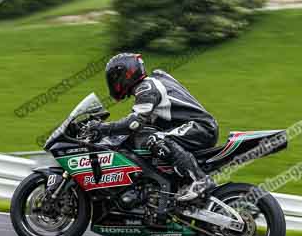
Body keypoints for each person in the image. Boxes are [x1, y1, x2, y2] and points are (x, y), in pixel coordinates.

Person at [85, 53, 218, 202]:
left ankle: (201, 181)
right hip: (191, 127)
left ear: (127, 73)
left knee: (155, 139)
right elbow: (138, 125)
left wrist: (102, 128)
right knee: (141, 137)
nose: (114, 82)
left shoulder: (146, 87)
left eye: (116, 77)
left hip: (200, 127)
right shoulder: (152, 83)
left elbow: (133, 123)